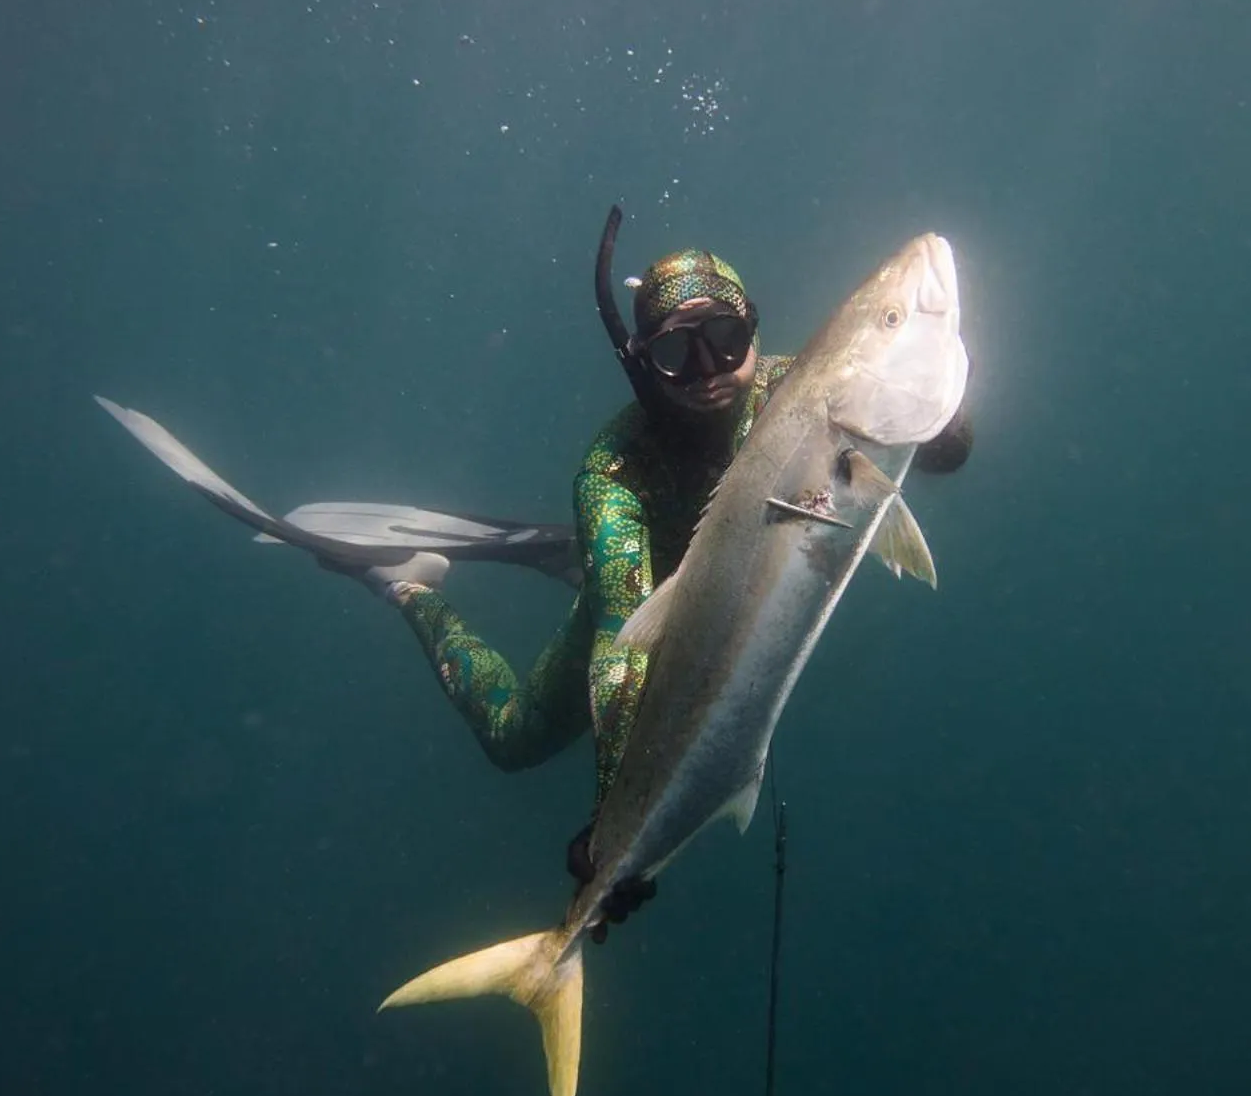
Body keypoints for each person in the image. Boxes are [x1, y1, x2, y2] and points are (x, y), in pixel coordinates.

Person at [360, 213, 972, 867]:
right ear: (644, 363)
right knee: (514, 740)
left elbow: (937, 444)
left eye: (725, 340)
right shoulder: (613, 469)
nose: (707, 370)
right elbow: (621, 651)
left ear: (753, 330)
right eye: (676, 354)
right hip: (635, 589)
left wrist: (936, 400)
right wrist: (612, 816)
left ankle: (568, 554)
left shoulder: (801, 391)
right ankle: (411, 586)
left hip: (731, 582)